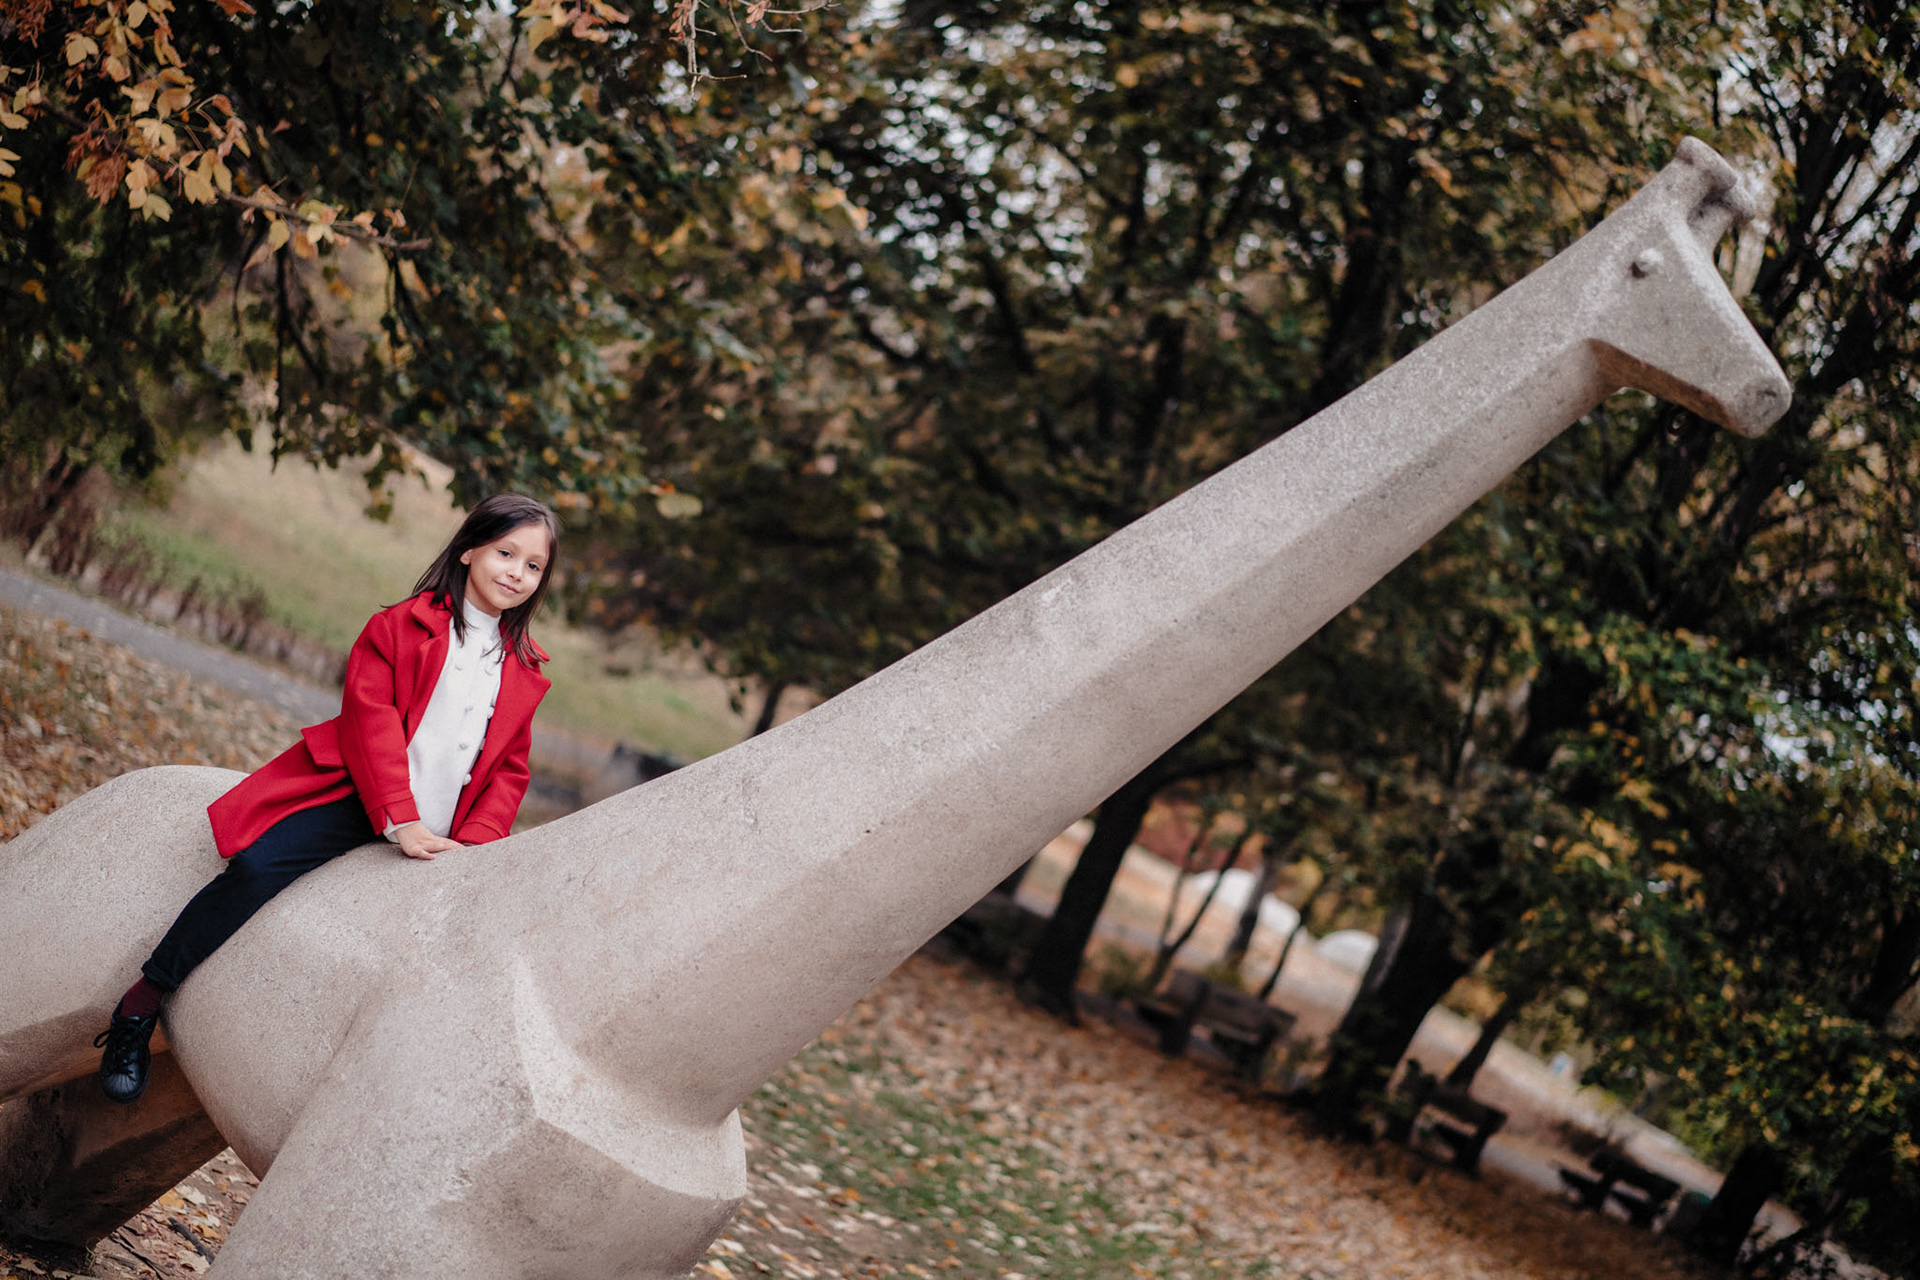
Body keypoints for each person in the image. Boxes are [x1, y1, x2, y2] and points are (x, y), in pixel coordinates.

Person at [94, 493, 560, 1103]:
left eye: (533, 566)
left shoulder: (522, 668)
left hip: (450, 830)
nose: (516, 574)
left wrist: (473, 847)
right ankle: (141, 1004)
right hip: (365, 796)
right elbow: (373, 725)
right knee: (256, 867)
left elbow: (510, 771)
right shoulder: (399, 626)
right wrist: (404, 822)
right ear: (470, 549)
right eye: (506, 553)